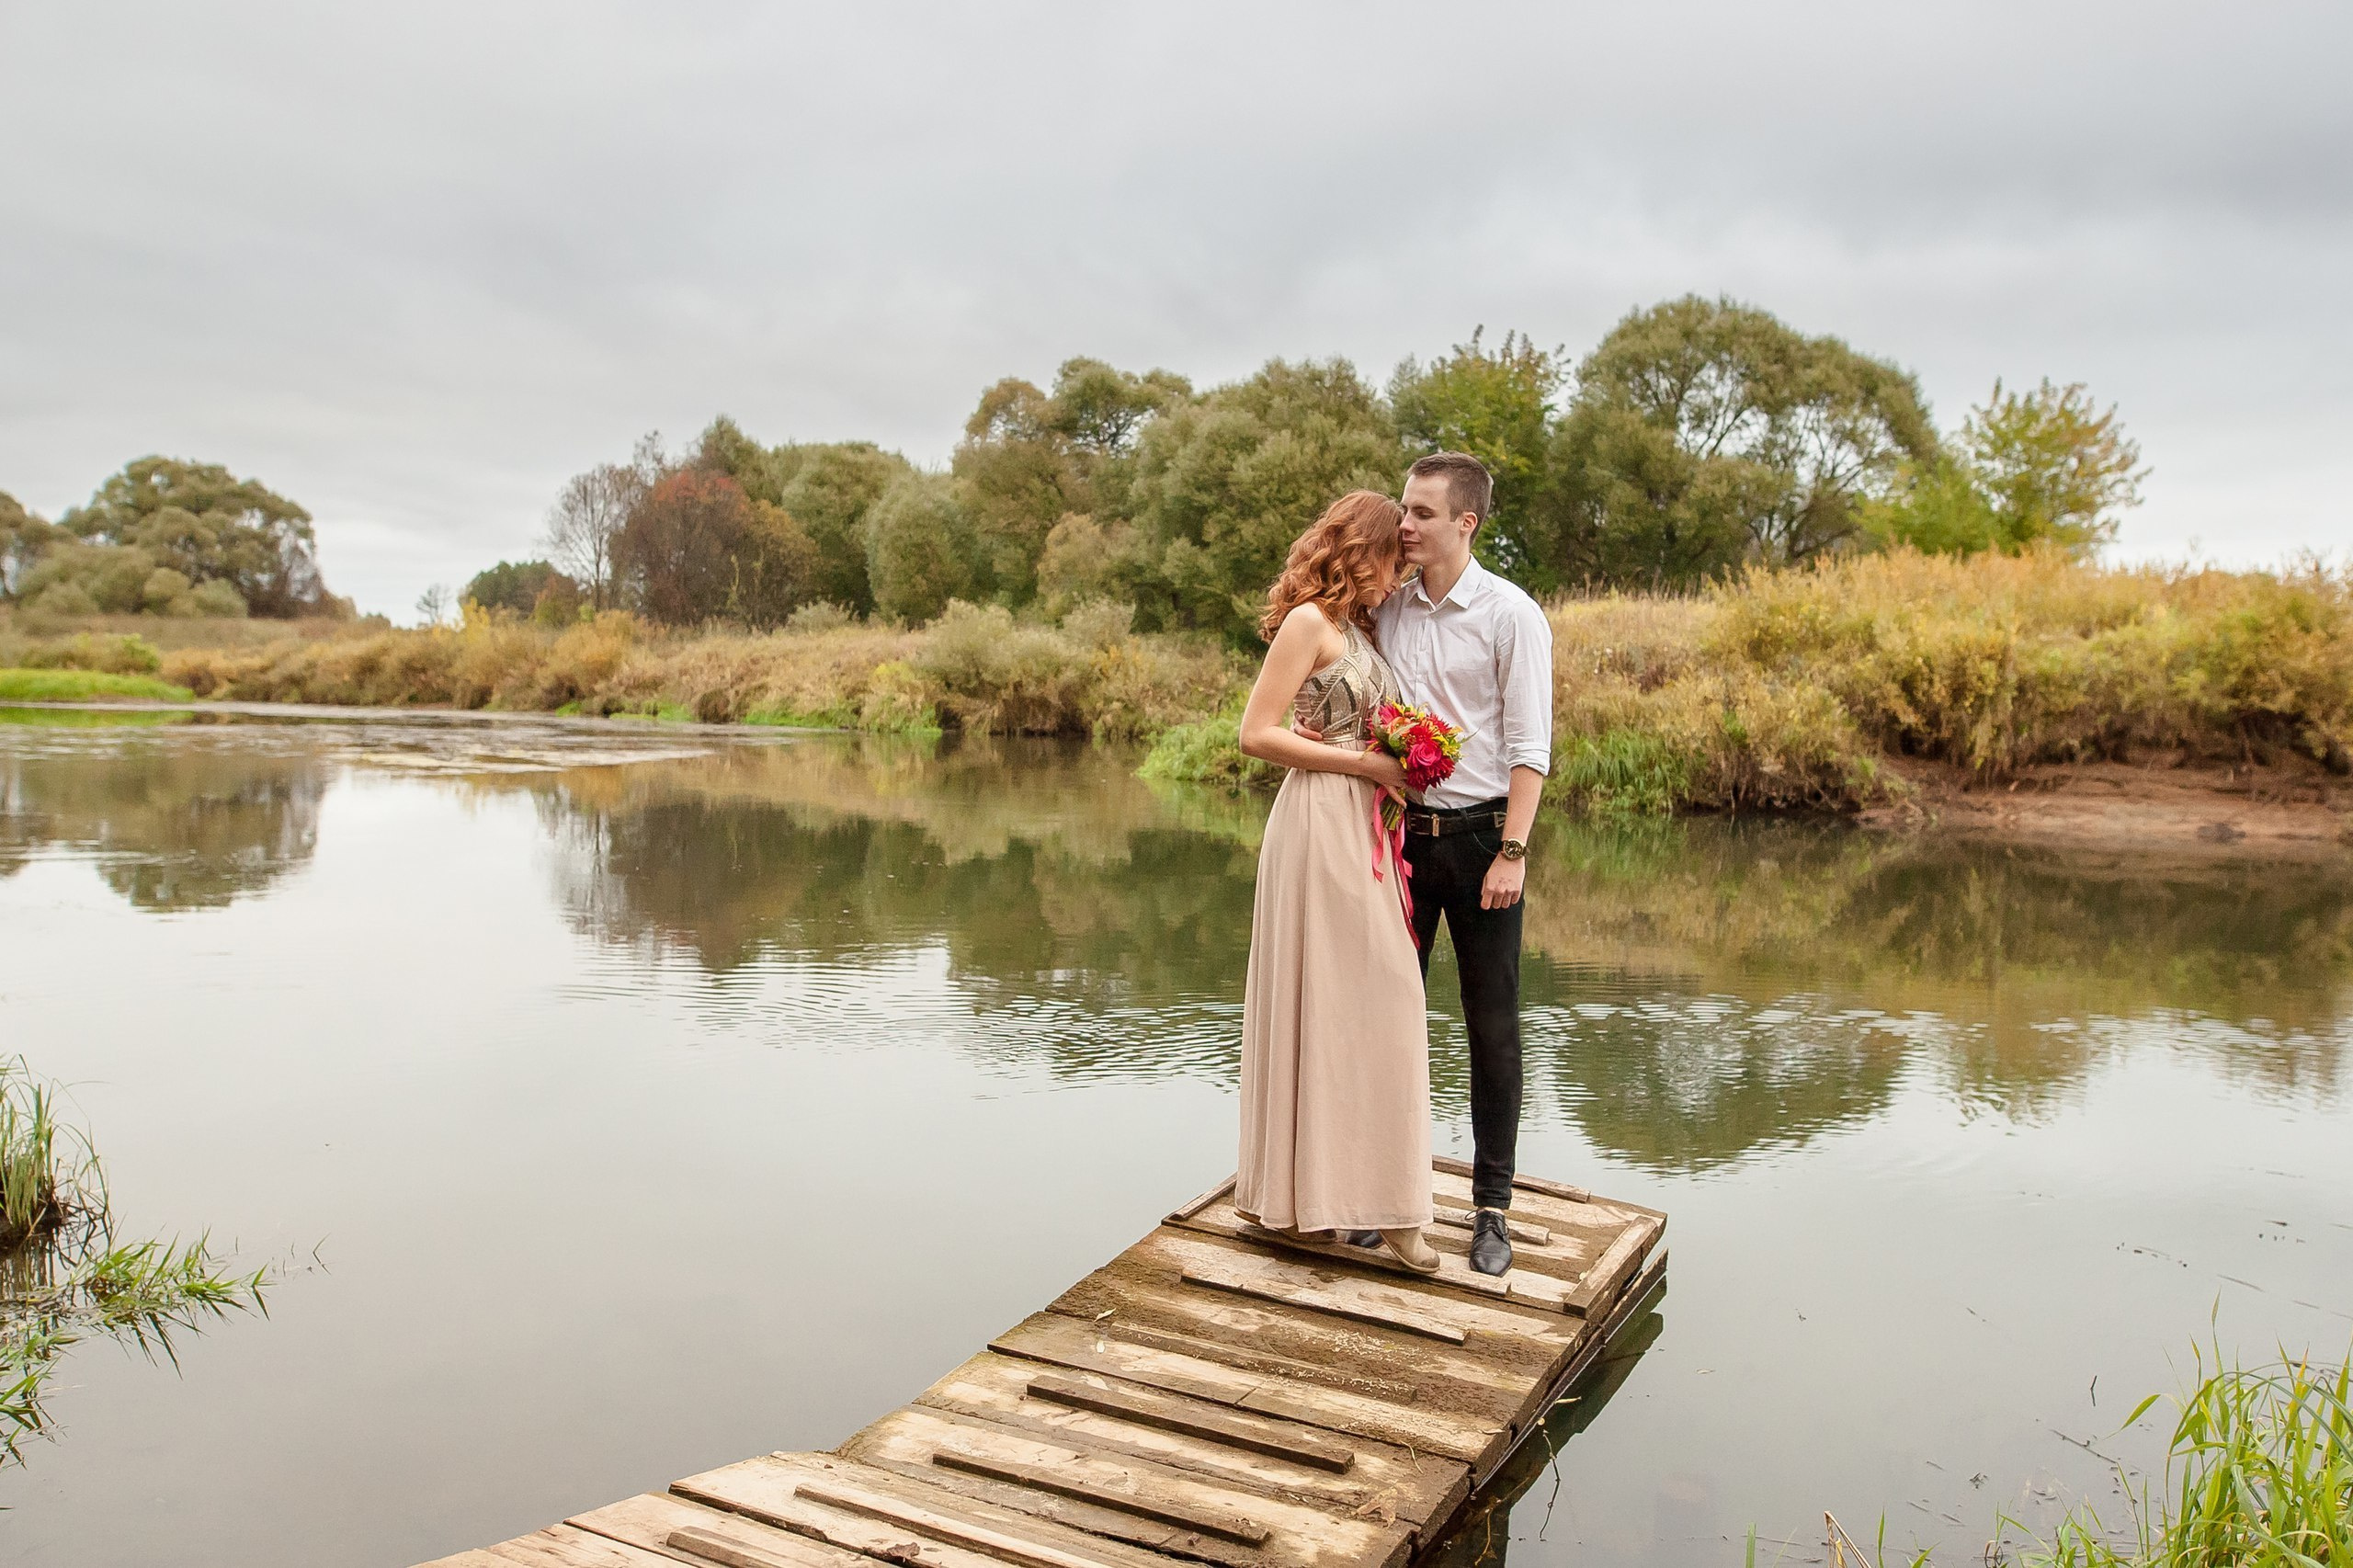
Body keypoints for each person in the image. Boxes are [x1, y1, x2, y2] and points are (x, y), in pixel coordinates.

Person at [1232, 490, 1438, 1274]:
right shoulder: (1309, 625)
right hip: (1317, 824)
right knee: (1337, 1002)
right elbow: (1256, 733)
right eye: (1391, 563)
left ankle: (1374, 1201)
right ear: (1360, 551)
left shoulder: (1359, 628)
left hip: (1366, 827)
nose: (1395, 581)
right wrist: (1366, 763)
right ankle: (1315, 1204)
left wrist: (1409, 756)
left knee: (1382, 999)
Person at [1373, 451, 1553, 1276]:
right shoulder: (1390, 608)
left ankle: (1491, 1210)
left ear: (1465, 523)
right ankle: (1382, 1194)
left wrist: (1512, 851)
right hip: (1402, 838)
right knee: (1387, 1019)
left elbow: (1531, 747)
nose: (1403, 524)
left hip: (1485, 844)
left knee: (1492, 1028)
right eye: (1405, 509)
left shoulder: (1511, 614)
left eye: (1420, 513)